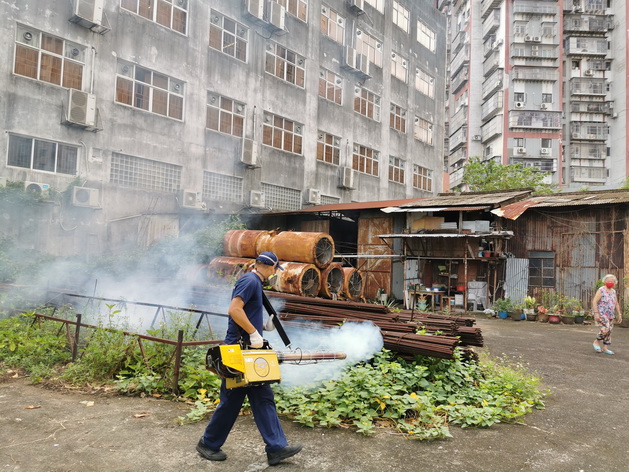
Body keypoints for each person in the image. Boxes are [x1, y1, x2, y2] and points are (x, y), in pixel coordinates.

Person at [196, 251, 303, 465]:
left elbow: (245, 313)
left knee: (263, 398)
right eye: (275, 269)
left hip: (249, 351)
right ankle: (208, 444)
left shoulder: (254, 282)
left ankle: (276, 448)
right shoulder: (250, 281)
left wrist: (262, 327)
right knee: (231, 402)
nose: (275, 273)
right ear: (270, 267)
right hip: (239, 352)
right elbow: (234, 310)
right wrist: (254, 333)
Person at [592, 274, 623, 355]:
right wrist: (596, 313)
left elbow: (616, 303)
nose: (610, 282)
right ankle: (596, 341)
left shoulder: (613, 291)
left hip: (610, 314)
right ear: (605, 281)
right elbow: (594, 301)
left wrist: (619, 314)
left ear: (615, 283)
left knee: (609, 331)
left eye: (612, 281)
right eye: (608, 281)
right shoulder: (601, 290)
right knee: (605, 329)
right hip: (601, 313)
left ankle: (605, 348)